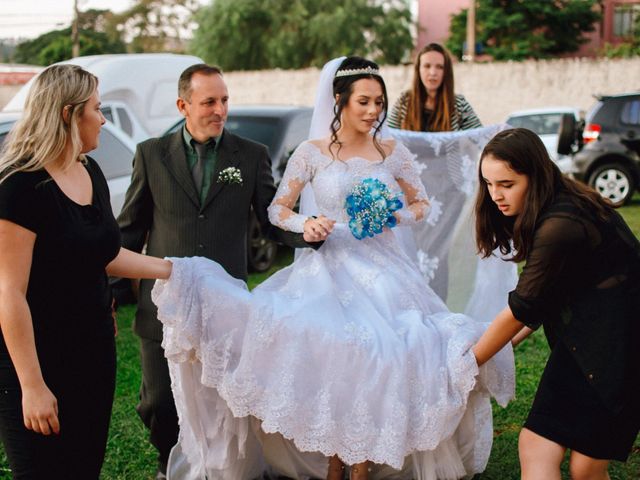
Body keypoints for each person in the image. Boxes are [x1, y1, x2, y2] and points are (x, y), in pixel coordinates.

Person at [152, 56, 514, 480]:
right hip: (326, 266)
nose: (373, 111)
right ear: (339, 101)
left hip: (382, 267)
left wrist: (392, 214)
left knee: (379, 349)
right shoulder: (311, 153)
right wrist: (307, 224)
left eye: (379, 102)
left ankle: (360, 461)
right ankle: (332, 458)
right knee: (327, 350)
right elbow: (276, 209)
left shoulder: (390, 152)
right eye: (364, 101)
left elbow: (421, 204)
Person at [116, 63, 315, 479]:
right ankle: (168, 465)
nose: (220, 110)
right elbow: (131, 230)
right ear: (183, 105)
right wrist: (110, 295)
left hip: (226, 305)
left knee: (224, 404)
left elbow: (274, 219)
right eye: (209, 101)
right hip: (165, 307)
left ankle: (219, 469)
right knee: (159, 404)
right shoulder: (151, 154)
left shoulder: (251, 155)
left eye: (224, 100)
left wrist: (309, 232)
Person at [0, 64, 172, 479]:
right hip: (38, 361)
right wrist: (33, 386)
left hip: (93, 353)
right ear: (68, 115)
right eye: (97, 108)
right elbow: (9, 293)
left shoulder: (89, 172)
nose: (103, 118)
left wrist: (174, 269)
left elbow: (103, 252)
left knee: (84, 466)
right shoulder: (19, 188)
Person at [472, 128, 640, 479]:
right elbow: (542, 299)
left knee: (585, 468)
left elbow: (524, 307)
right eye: (488, 184)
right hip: (583, 342)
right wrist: (500, 348)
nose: (495, 196)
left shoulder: (561, 222)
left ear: (535, 175)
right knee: (538, 445)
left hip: (620, 348)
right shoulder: (556, 202)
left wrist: (467, 363)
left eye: (506, 184)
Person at [387, 43, 481, 132]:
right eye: (427, 66)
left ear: (446, 72)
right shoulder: (404, 101)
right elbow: (385, 136)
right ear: (418, 69)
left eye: (440, 67)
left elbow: (481, 137)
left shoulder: (459, 104)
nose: (433, 73)